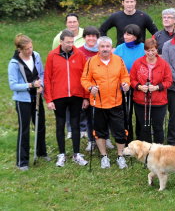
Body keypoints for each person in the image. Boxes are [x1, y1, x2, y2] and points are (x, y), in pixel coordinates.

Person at [81, 36, 130, 169]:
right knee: (100, 131)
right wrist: (90, 87)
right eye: (102, 47)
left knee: (120, 131)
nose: (105, 49)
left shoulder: (118, 60)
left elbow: (125, 76)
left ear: (111, 47)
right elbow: (84, 79)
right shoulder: (91, 61)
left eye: (107, 46)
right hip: (98, 103)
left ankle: (121, 156)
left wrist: (126, 84)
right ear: (98, 48)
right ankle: (104, 157)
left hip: (116, 102)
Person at [44, 30, 89, 167]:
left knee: (75, 124)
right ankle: (61, 154)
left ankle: (76, 154)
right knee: (60, 124)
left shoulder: (79, 54)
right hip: (59, 96)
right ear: (61, 41)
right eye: (68, 42)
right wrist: (49, 99)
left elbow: (85, 76)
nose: (70, 44)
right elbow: (47, 78)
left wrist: (86, 97)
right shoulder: (52, 55)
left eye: (72, 41)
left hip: (76, 95)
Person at [8, 34, 50, 171]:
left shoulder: (36, 56)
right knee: (24, 129)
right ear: (19, 49)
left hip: (37, 97)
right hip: (23, 100)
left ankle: (42, 152)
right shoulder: (14, 63)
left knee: (40, 125)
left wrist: (41, 85)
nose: (29, 51)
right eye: (26, 49)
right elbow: (13, 85)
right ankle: (22, 161)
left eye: (31, 47)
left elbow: (41, 74)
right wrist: (31, 85)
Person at [78, 26, 115, 152]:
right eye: (88, 36)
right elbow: (82, 76)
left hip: (105, 91)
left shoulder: (104, 50)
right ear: (84, 38)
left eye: (94, 36)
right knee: (90, 117)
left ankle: (106, 137)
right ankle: (91, 140)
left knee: (106, 116)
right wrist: (85, 95)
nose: (91, 38)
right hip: (88, 90)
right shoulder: (79, 52)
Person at [130, 39, 172, 144]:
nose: (150, 53)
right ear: (144, 51)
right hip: (141, 101)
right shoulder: (137, 63)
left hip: (159, 101)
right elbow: (131, 79)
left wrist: (157, 87)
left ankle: (159, 149)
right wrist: (139, 87)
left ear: (157, 50)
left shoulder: (163, 64)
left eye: (153, 50)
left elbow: (169, 81)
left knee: (158, 127)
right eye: (148, 50)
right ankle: (145, 150)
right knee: (144, 126)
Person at [114, 24, 145, 143]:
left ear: (136, 36)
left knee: (140, 114)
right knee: (126, 114)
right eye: (125, 33)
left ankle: (141, 139)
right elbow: (115, 67)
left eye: (129, 34)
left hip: (139, 86)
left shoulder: (143, 48)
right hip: (124, 87)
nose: (125, 36)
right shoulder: (119, 49)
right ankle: (127, 139)